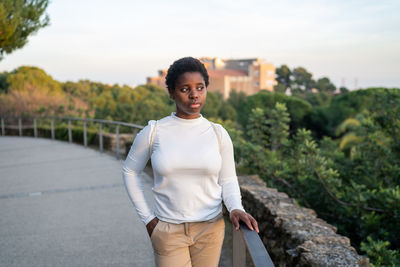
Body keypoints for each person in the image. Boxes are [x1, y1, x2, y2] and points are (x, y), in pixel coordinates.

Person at [122, 57, 258, 267]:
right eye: (185, 89)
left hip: (210, 229)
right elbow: (130, 171)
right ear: (172, 92)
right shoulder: (154, 132)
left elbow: (228, 179)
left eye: (200, 87)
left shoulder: (218, 133)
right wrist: (148, 219)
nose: (194, 94)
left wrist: (235, 208)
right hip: (168, 230)